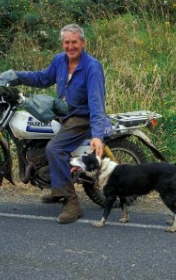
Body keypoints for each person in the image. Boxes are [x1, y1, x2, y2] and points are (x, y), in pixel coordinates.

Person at [12, 24, 108, 224]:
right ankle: (57, 186)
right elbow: (42, 78)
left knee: (55, 148)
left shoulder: (92, 67)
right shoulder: (59, 60)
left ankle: (71, 201)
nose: (70, 46)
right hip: (64, 113)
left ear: (82, 42)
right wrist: (15, 76)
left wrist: (98, 135)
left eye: (74, 42)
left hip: (83, 117)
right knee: (41, 136)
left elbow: (97, 104)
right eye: (67, 42)